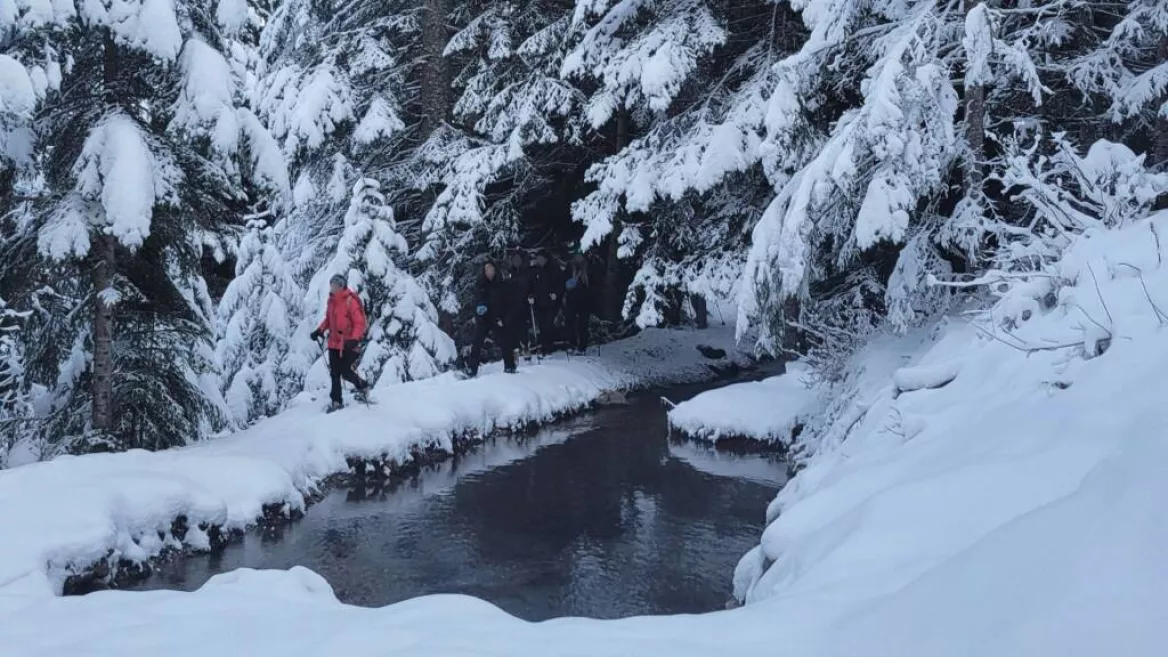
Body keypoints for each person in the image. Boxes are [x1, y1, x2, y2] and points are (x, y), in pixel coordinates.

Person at [310, 274, 370, 411]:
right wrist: (319, 330)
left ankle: (364, 386)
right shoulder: (331, 301)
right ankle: (336, 402)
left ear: (341, 286)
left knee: (345, 371)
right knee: (335, 373)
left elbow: (359, 323)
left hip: (348, 344)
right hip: (334, 343)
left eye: (335, 285)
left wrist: (354, 339)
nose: (332, 287)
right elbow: (328, 320)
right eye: (331, 285)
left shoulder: (350, 301)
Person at [467, 261, 516, 376]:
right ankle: (472, 369)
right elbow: (475, 302)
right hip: (483, 319)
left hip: (497, 318)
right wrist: (478, 312)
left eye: (491, 269)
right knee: (477, 343)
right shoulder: (480, 284)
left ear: (495, 270)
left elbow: (508, 303)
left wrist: (504, 318)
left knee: (505, 341)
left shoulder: (501, 285)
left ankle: (509, 366)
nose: (489, 272)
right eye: (487, 270)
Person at [530, 252, 564, 355]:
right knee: (542, 325)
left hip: (551, 302)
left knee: (548, 324)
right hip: (539, 302)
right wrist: (531, 295)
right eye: (538, 258)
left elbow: (561, 284)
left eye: (541, 258)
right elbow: (532, 285)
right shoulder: (536, 270)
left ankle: (548, 346)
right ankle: (544, 346)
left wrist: (556, 294)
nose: (539, 260)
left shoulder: (554, 268)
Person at [505, 252, 535, 358]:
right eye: (514, 259)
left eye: (518, 259)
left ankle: (526, 348)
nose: (516, 261)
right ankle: (515, 349)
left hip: (524, 304)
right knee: (513, 328)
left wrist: (531, 295)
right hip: (512, 305)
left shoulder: (526, 272)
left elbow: (532, 286)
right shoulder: (510, 273)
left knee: (524, 328)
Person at [564, 253, 590, 354]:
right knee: (570, 322)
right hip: (571, 299)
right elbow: (564, 282)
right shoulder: (570, 268)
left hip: (585, 300)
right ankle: (572, 343)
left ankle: (582, 346)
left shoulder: (588, 268)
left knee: (583, 324)